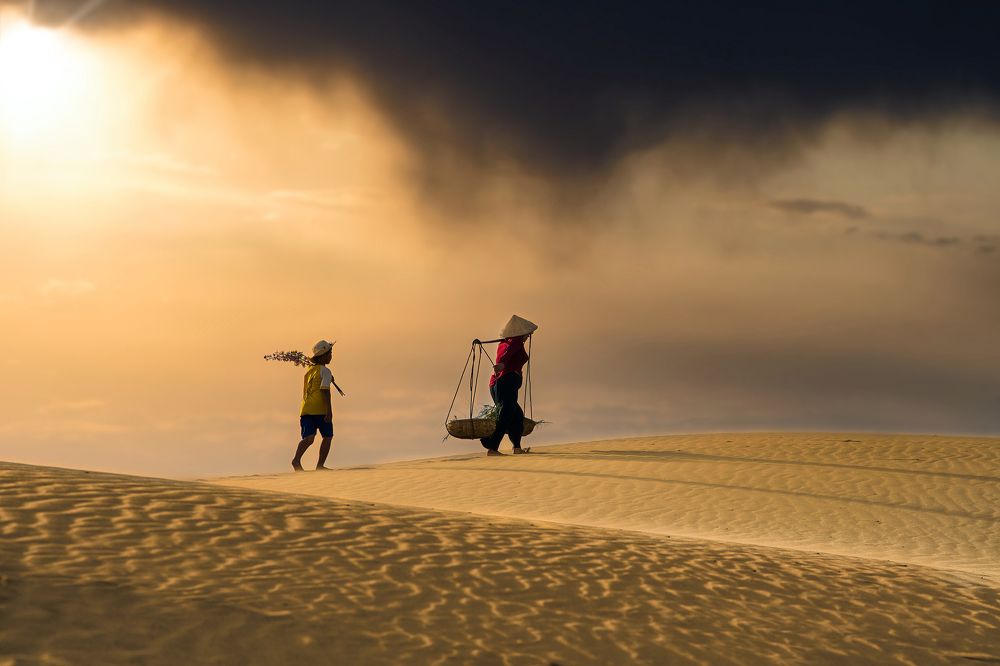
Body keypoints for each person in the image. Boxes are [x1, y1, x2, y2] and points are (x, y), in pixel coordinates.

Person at [479, 315, 537, 456]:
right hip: (506, 382)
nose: (528, 336)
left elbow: (506, 353)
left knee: (516, 415)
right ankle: (492, 447)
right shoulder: (515, 341)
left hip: (499, 383)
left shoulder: (505, 343)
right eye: (527, 334)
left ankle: (516, 447)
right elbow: (507, 354)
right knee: (506, 414)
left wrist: (503, 364)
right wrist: (502, 364)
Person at [292, 339, 345, 471]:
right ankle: (320, 465)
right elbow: (324, 390)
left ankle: (296, 460)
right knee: (327, 436)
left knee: (309, 438)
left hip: (306, 410)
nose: (331, 356)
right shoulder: (325, 371)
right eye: (330, 353)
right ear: (324, 355)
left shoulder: (310, 370)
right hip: (320, 410)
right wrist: (329, 411)